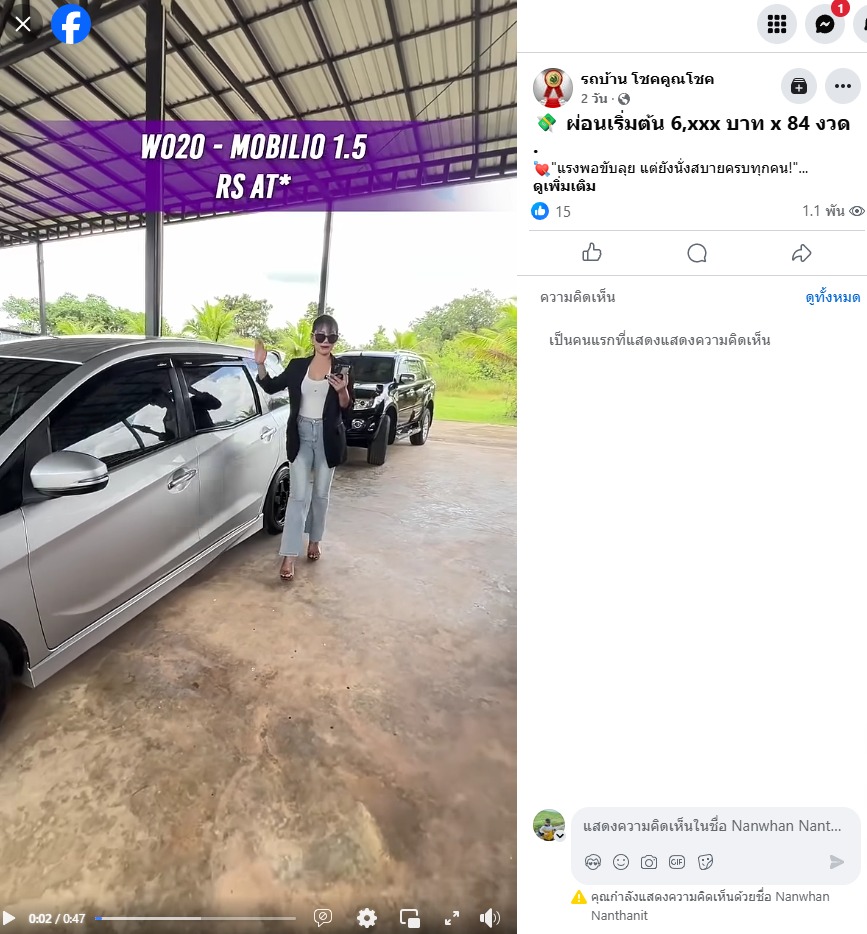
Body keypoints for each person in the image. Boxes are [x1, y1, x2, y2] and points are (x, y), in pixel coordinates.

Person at [253, 315, 354, 582]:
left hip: (328, 437)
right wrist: (261, 365)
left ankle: (315, 540)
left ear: (336, 339)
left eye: (331, 336)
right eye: (320, 335)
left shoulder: (342, 368)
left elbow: (347, 408)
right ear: (312, 338)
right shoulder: (298, 366)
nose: (325, 341)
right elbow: (271, 386)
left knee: (320, 495)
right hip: (300, 435)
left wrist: (342, 390)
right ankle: (288, 555)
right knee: (297, 497)